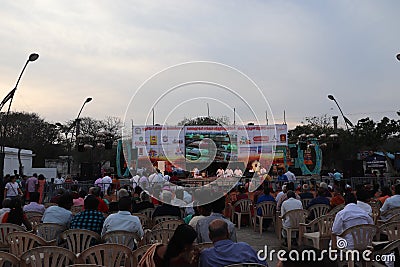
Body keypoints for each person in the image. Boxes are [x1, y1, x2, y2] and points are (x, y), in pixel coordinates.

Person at [199, 219, 266, 267]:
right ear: (228, 234)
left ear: (210, 236)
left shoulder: (206, 256)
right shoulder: (245, 248)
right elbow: (263, 264)